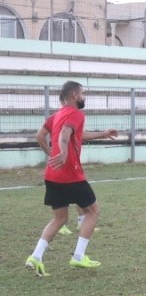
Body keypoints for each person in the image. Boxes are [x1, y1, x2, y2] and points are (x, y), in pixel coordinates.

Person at [26, 81, 118, 277]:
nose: (84, 97)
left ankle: (36, 256)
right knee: (93, 211)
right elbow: (66, 133)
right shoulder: (76, 114)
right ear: (75, 95)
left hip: (52, 175)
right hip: (71, 175)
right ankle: (78, 256)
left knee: (59, 218)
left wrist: (52, 154)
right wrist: (64, 152)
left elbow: (40, 136)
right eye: (83, 93)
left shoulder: (56, 115)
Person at [36, 114, 97, 235]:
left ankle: (80, 222)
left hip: (71, 165)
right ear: (72, 96)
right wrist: (53, 153)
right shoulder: (62, 117)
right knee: (78, 198)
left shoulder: (66, 116)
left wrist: (103, 134)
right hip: (64, 167)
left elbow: (80, 134)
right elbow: (40, 135)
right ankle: (62, 224)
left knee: (79, 197)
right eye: (81, 94)